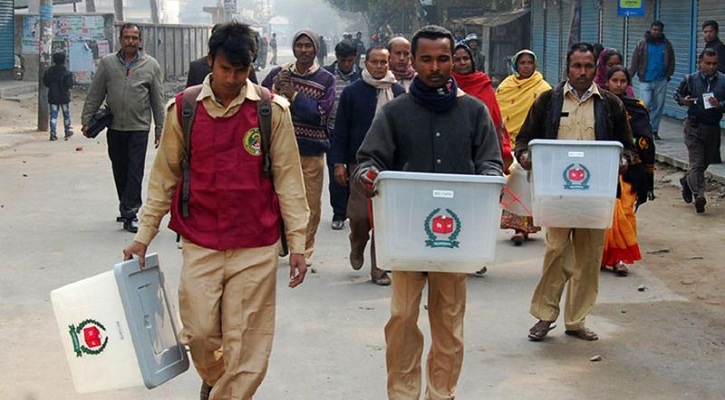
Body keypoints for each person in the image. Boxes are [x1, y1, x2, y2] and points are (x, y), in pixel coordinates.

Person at [122, 22, 309, 400]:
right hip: (201, 241)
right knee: (201, 334)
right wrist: (143, 236)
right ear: (210, 62)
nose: (234, 78)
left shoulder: (271, 112)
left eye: (242, 71)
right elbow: (163, 177)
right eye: (226, 69)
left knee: (248, 345)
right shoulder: (185, 109)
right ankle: (216, 377)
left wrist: (300, 245)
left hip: (256, 245)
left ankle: (227, 392)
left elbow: (289, 179)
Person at [354, 25, 504, 399]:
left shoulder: (474, 111)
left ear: (453, 60)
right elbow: (367, 160)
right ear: (412, 62)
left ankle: (442, 393)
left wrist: (488, 177)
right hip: (406, 237)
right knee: (403, 319)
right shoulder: (395, 112)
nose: (435, 66)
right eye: (426, 59)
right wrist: (369, 174)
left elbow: (491, 161)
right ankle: (403, 394)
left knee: (449, 325)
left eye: (442, 58)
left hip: (455, 240)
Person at [516, 42, 634, 342]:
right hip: (556, 196)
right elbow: (524, 141)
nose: (582, 72)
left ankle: (576, 320)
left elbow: (627, 147)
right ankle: (545, 316)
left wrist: (623, 160)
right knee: (556, 252)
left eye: (588, 66)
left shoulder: (610, 105)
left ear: (597, 69)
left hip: (595, 197)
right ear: (567, 68)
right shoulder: (548, 101)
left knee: (589, 258)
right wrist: (527, 157)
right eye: (576, 66)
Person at [331, 45, 405, 286]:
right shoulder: (353, 92)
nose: (379, 66)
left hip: (390, 165)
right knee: (361, 217)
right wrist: (339, 162)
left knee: (383, 220)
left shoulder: (398, 92)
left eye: (384, 62)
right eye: (375, 62)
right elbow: (340, 129)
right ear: (366, 63)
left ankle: (379, 269)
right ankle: (357, 244)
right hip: (359, 163)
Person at [261, 30, 336, 267]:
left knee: (310, 204)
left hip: (310, 152)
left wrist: (293, 94)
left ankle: (304, 249)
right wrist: (276, 90)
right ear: (294, 48)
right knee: (275, 200)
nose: (304, 50)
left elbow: (320, 115)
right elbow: (261, 103)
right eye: (300, 45)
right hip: (279, 150)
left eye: (308, 46)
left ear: (316, 49)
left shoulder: (326, 79)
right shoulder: (278, 73)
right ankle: (280, 243)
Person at [81, 23, 165, 234]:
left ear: (140, 41)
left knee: (135, 171)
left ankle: (130, 212)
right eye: (126, 37)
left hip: (139, 127)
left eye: (134, 38)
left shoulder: (151, 65)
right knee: (120, 168)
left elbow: (158, 99)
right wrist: (86, 118)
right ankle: (125, 204)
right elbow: (96, 92)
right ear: (120, 40)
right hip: (115, 126)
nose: (130, 41)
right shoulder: (108, 64)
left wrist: (160, 128)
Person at [601, 66, 656, 276]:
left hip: (630, 169)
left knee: (624, 211)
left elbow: (646, 139)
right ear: (607, 82)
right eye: (614, 80)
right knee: (605, 212)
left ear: (628, 84)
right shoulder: (599, 104)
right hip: (603, 166)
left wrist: (635, 144)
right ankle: (602, 256)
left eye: (622, 81)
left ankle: (620, 258)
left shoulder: (637, 107)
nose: (618, 84)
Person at [496, 50, 551, 246]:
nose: (526, 66)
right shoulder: (506, 86)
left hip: (532, 142)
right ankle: (516, 225)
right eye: (522, 63)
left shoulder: (543, 88)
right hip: (508, 141)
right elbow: (499, 111)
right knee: (513, 183)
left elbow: (548, 116)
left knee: (527, 185)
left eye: (529, 62)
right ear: (515, 65)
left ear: (535, 65)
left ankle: (524, 227)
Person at [674, 48, 725, 214]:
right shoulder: (690, 79)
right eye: (707, 63)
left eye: (714, 63)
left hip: (713, 128)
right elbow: (677, 95)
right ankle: (699, 195)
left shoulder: (723, 81)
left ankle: (687, 180)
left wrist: (720, 105)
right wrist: (685, 101)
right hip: (693, 126)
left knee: (706, 161)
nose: (711, 67)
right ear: (700, 63)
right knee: (696, 161)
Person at [324, 40, 361, 231]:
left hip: (356, 132)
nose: (346, 64)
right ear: (337, 58)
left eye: (349, 60)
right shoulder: (327, 75)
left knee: (356, 175)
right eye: (343, 60)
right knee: (336, 173)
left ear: (355, 58)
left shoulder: (363, 76)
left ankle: (354, 211)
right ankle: (339, 213)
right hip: (332, 131)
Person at [629, 21, 675, 141]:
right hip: (646, 79)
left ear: (662, 31)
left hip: (661, 79)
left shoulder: (666, 45)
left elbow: (671, 61)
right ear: (650, 29)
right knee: (645, 104)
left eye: (659, 30)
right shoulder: (642, 44)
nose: (656, 32)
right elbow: (635, 61)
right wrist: (629, 76)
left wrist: (668, 76)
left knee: (658, 106)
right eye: (654, 29)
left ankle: (654, 130)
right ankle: (643, 129)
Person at [702, 20, 725, 163]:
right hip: (709, 85)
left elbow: (720, 69)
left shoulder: (719, 48)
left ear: (716, 32)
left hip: (716, 87)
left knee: (712, 120)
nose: (707, 34)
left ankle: (713, 156)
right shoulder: (709, 47)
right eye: (705, 32)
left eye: (710, 31)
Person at [43, 52, 74, 141]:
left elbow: (45, 82)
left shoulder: (49, 71)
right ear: (64, 61)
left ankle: (53, 134)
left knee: (53, 115)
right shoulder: (67, 72)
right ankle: (67, 131)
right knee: (66, 115)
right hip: (64, 97)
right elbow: (70, 84)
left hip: (53, 96)